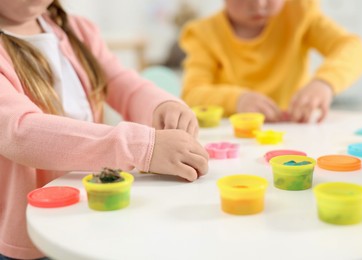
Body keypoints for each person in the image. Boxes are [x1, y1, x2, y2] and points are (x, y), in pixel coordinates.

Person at [0, 1, 209, 259]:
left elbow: (121, 82)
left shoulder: (77, 29)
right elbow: (20, 133)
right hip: (31, 230)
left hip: (94, 209)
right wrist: (141, 147)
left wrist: (163, 105)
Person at [180, 0, 362, 123]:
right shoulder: (203, 34)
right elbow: (192, 93)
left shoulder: (300, 12)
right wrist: (237, 100)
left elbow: (352, 48)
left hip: (297, 131)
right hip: (235, 137)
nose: (260, 4)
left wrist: (325, 82)